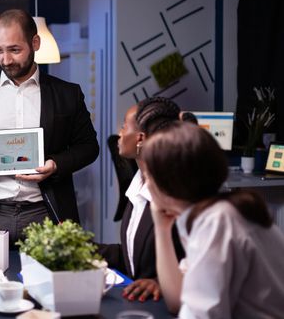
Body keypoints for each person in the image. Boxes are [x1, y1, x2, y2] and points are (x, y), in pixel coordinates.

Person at [0, 9, 99, 244]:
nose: (6, 60)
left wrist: (56, 164)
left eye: (14, 50)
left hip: (46, 216)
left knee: (46, 282)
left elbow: (89, 147)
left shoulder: (67, 94)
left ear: (35, 43)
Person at [143, 122, 284, 318]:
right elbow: (177, 300)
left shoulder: (218, 222)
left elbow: (200, 315)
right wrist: (162, 229)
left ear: (169, 183)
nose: (146, 184)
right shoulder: (222, 213)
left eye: (148, 176)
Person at [99, 97, 185, 302]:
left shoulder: (175, 197)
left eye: (123, 127)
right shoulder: (137, 186)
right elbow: (132, 258)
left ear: (140, 138)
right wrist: (80, 244)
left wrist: (159, 283)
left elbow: (197, 262)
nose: (119, 134)